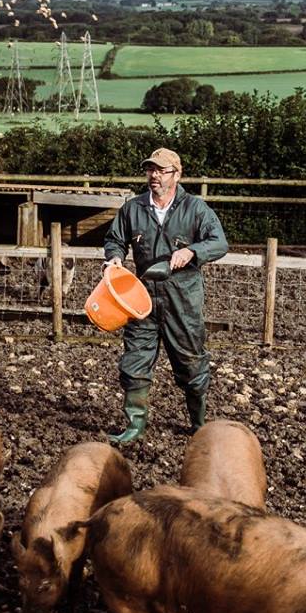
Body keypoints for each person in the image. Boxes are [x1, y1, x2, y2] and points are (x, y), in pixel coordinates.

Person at [102, 148, 228, 445]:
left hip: (182, 301)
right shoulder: (132, 209)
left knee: (191, 365)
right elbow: (114, 239)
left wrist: (192, 251)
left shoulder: (195, 209)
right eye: (150, 170)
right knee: (134, 363)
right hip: (141, 299)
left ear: (177, 174)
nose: (154, 176)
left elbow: (219, 242)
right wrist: (115, 258)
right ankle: (135, 426)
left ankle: (198, 426)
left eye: (161, 170)